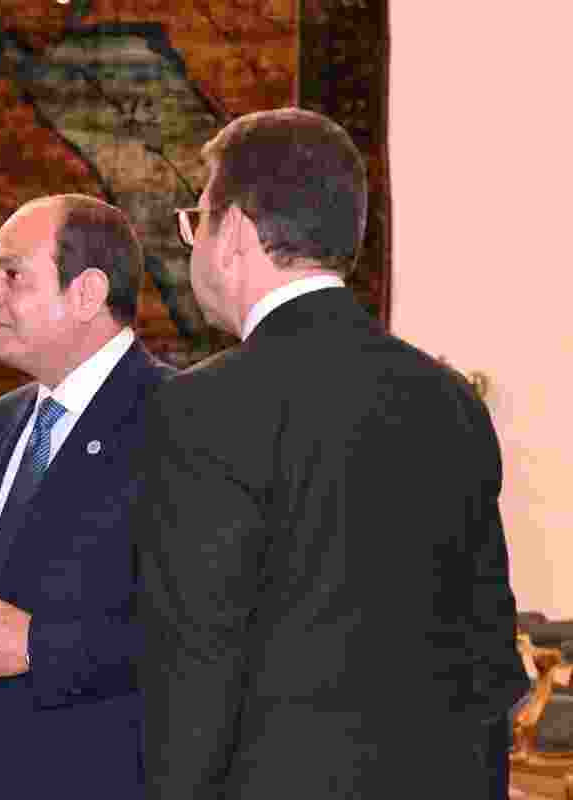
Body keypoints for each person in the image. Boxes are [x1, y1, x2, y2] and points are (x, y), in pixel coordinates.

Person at [136, 107, 526, 799]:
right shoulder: (450, 402)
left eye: (196, 220)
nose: (192, 244)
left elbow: (193, 675)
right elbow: (489, 663)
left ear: (234, 235)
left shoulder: (203, 408)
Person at [0, 194, 169, 797]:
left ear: (87, 294)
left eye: (11, 274)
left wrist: (35, 646)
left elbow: (201, 626)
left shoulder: (181, 420)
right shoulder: (1, 420)